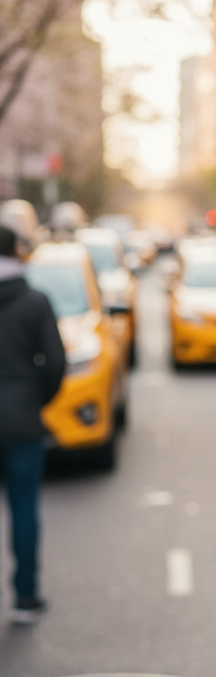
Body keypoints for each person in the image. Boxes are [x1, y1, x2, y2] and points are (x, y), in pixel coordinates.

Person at [0, 224, 65, 622]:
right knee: (24, 507)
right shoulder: (35, 301)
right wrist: (34, 399)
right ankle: (25, 597)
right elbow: (55, 363)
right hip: (22, 421)